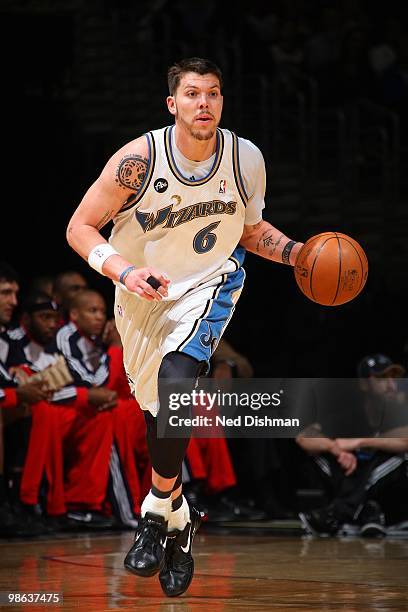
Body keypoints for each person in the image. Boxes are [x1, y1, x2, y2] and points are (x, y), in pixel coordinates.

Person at [66, 57, 304, 597]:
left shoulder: (245, 158)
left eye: (214, 93)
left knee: (178, 386)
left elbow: (249, 230)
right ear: (172, 104)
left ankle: (152, 515)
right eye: (193, 94)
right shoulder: (139, 159)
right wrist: (123, 271)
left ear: (222, 101)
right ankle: (179, 518)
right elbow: (79, 227)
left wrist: (295, 253)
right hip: (139, 293)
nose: (205, 103)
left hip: (209, 282)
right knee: (158, 414)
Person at [297, 354, 408, 537]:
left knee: (399, 455)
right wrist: (336, 449)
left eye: (393, 378)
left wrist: (362, 441)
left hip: (388, 490)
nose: (391, 385)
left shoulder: (400, 408)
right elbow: (303, 437)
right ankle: (366, 512)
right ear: (364, 384)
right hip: (350, 478)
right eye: (381, 378)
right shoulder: (350, 410)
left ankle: (338, 513)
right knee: (318, 452)